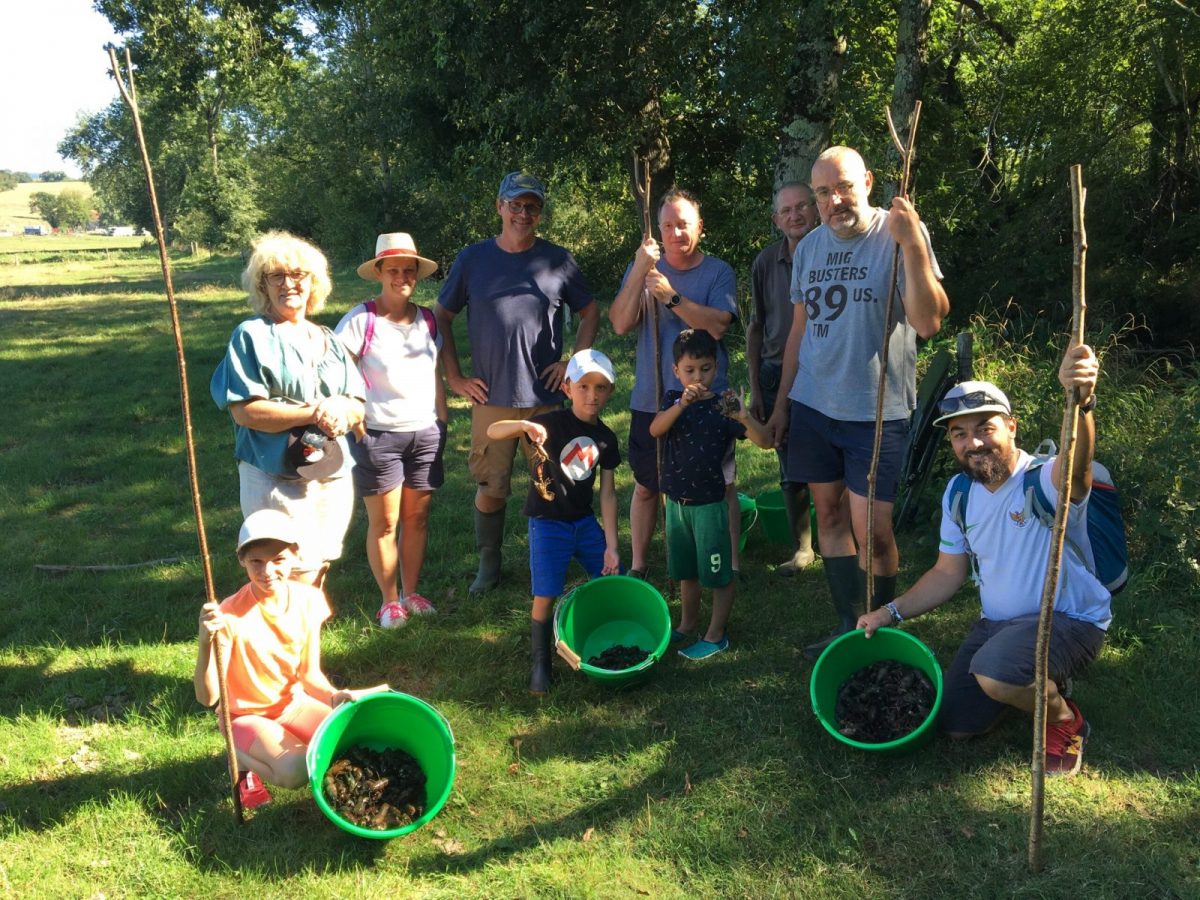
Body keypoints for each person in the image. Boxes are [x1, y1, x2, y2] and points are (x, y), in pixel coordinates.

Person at [857, 342, 1106, 776]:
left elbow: (1077, 468)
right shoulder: (959, 493)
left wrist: (1082, 404)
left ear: (1012, 427)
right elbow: (946, 572)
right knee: (955, 725)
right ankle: (1029, 681)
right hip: (999, 626)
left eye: (985, 428)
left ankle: (1065, 720)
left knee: (994, 673)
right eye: (959, 433)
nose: (973, 443)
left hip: (1068, 621)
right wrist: (889, 612)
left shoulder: (1042, 479)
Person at [765, 147, 949, 657]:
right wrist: (782, 404)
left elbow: (929, 322)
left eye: (844, 187)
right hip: (813, 406)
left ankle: (880, 627)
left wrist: (912, 245)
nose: (834, 201)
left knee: (875, 533)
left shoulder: (898, 232)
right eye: (823, 192)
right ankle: (849, 626)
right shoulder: (808, 248)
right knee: (829, 518)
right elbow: (799, 332)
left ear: (867, 182)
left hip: (875, 411)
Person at [436, 172, 601, 595]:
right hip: (492, 396)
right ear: (499, 207)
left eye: (532, 207)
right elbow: (441, 317)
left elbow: (590, 312)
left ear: (540, 213)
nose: (523, 214)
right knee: (492, 486)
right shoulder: (473, 259)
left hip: (546, 398)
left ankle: (553, 558)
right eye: (516, 205)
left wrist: (573, 363)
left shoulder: (557, 260)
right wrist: (454, 377)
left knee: (555, 486)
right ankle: (489, 564)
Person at [193, 509, 389, 805]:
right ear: (241, 559)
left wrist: (335, 697)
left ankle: (271, 748)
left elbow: (309, 674)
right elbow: (207, 698)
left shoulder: (308, 600)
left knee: (353, 740)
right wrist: (205, 641)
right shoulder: (228, 616)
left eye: (278, 559)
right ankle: (241, 761)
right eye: (256, 561)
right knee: (298, 768)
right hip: (244, 716)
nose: (267, 571)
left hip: (292, 705)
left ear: (295, 556)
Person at [210, 230, 366, 588]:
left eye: (298, 275)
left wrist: (341, 408)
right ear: (262, 285)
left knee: (318, 564)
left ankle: (307, 626)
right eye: (276, 275)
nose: (288, 284)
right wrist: (313, 413)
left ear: (313, 282)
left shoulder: (328, 338)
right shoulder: (251, 336)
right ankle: (277, 627)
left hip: (330, 474)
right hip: (273, 475)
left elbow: (358, 404)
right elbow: (245, 412)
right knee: (282, 571)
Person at [609, 188, 740, 580]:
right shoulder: (643, 269)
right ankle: (639, 565)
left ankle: (730, 562)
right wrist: (639, 270)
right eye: (667, 226)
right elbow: (620, 323)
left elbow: (717, 326)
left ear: (700, 227)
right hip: (653, 398)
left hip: (708, 399)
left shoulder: (717, 271)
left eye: (683, 224)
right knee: (647, 485)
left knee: (721, 484)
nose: (675, 233)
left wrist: (670, 297)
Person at [486, 349, 622, 694]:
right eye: (583, 386)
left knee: (613, 580)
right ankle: (541, 663)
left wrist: (612, 546)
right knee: (545, 593)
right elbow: (493, 431)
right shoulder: (549, 423)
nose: (592, 395)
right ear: (567, 388)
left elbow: (608, 494)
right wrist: (522, 425)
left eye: (601, 387)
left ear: (610, 391)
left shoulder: (606, 438)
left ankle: (609, 640)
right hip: (547, 524)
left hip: (584, 522)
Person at [335, 233, 446, 629]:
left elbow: (434, 372)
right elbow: (334, 371)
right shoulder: (360, 320)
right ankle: (388, 601)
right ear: (379, 273)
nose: (402, 277)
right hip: (379, 436)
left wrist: (442, 421)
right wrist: (356, 418)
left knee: (417, 519)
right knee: (384, 523)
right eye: (393, 270)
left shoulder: (427, 319)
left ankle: (411, 593)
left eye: (408, 270)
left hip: (425, 432)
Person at [650, 330, 773, 660]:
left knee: (717, 575)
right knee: (687, 571)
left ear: (716, 368)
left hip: (710, 505)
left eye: (705, 369)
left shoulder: (724, 406)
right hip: (677, 504)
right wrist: (681, 404)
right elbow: (655, 429)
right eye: (689, 370)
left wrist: (743, 415)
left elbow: (765, 442)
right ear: (676, 371)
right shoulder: (672, 400)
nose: (698, 377)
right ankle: (687, 623)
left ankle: (716, 635)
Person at [748, 182, 820, 575]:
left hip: (824, 370)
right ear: (776, 220)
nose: (795, 216)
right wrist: (756, 386)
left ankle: (841, 534)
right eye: (786, 211)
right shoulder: (765, 263)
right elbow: (756, 326)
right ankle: (803, 547)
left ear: (816, 209)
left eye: (802, 207)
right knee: (788, 462)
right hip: (776, 371)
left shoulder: (832, 253)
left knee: (831, 458)